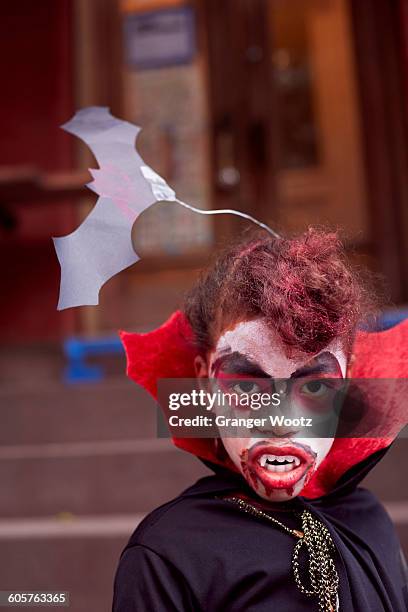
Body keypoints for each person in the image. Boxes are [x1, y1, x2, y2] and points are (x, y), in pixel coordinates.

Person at [113, 228, 408, 611]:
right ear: (205, 383)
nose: (281, 423)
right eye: (249, 389)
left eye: (315, 388)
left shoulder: (368, 521)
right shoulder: (168, 554)